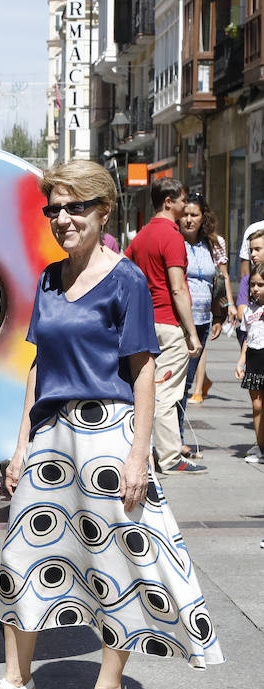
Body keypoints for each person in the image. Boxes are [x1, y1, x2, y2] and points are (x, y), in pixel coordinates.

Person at [0, 159, 223, 689]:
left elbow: (144, 369)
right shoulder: (50, 278)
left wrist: (138, 454)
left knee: (114, 564)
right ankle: (17, 683)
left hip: (107, 433)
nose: (62, 218)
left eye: (75, 207)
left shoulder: (126, 278)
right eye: (53, 208)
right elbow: (38, 363)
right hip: (51, 434)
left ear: (104, 211)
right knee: (19, 561)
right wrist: (21, 443)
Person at [126, 177, 206, 474]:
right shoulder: (172, 236)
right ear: (168, 202)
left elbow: (127, 272)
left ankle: (150, 452)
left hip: (145, 323)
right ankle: (170, 457)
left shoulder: (141, 236)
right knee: (167, 393)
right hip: (169, 325)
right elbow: (178, 288)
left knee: (148, 388)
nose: (186, 207)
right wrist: (192, 333)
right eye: (183, 200)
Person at [176, 194, 232, 457]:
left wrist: (219, 314)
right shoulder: (175, 241)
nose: (189, 219)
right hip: (178, 322)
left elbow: (218, 281)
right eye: (185, 214)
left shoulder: (212, 244)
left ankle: (177, 437)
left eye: (194, 215)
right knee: (175, 382)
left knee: (187, 384)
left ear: (203, 218)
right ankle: (173, 440)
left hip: (203, 321)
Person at [236, 262, 264, 464]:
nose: (255, 288)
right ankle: (261, 447)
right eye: (253, 284)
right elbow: (247, 337)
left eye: (261, 284)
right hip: (253, 358)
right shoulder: (248, 310)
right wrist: (241, 360)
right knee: (257, 405)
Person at [236, 230, 264, 349]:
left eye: (258, 249)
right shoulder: (247, 281)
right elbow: (241, 313)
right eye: (251, 250)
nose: (252, 254)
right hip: (254, 346)